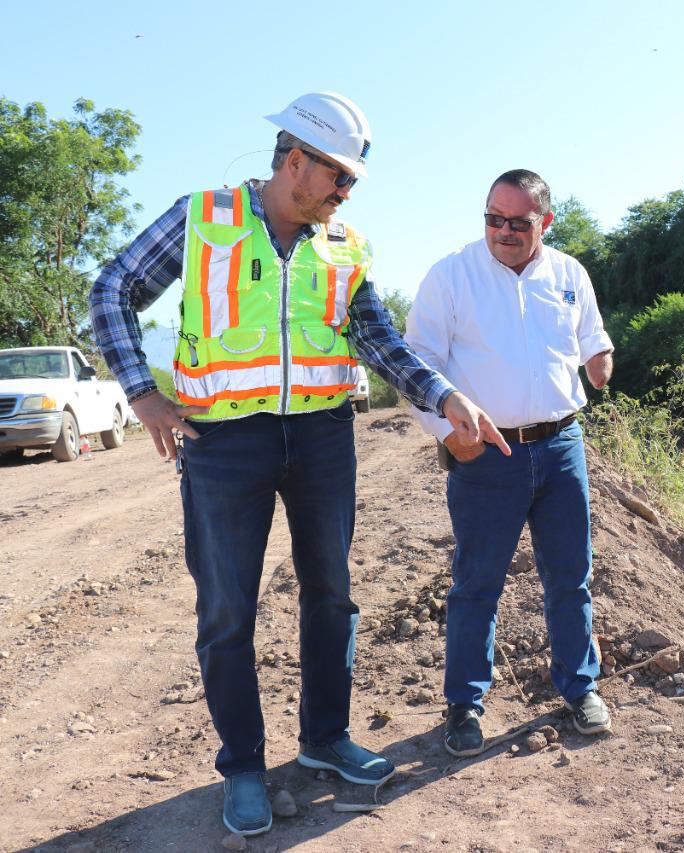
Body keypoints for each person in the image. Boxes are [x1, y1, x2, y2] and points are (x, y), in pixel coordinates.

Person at [89, 93, 509, 837]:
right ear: (295, 162)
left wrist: (446, 398)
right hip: (223, 444)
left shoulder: (343, 243)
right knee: (227, 609)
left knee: (332, 593)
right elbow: (113, 286)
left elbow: (378, 339)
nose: (344, 195)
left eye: (350, 184)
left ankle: (324, 739)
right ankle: (244, 765)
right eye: (339, 179)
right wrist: (141, 393)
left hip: (320, 437)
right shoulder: (203, 218)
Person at [405, 169, 615, 757]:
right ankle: (465, 706)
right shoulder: (452, 276)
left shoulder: (570, 274)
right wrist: (447, 432)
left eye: (517, 222)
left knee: (571, 577)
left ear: (544, 222)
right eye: (493, 218)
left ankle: (580, 689)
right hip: (486, 455)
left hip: (561, 447)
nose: (502, 230)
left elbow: (591, 337)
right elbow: (416, 362)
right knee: (477, 584)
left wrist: (601, 360)